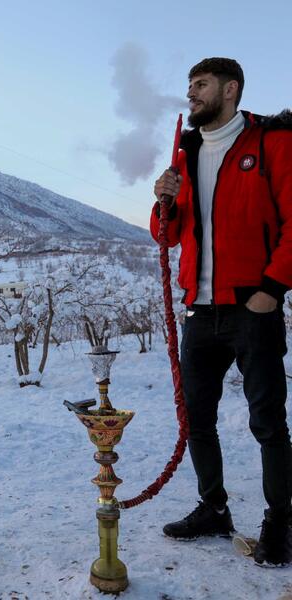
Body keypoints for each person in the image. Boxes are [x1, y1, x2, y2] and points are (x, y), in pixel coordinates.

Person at [152, 57, 292, 566]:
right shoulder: (186, 153)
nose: (191, 93)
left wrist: (271, 289)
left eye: (201, 84)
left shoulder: (272, 142)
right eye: (189, 85)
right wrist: (163, 201)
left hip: (252, 307)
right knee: (197, 420)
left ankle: (280, 522)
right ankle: (213, 508)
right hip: (200, 311)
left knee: (268, 422)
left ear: (230, 89)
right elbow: (167, 235)